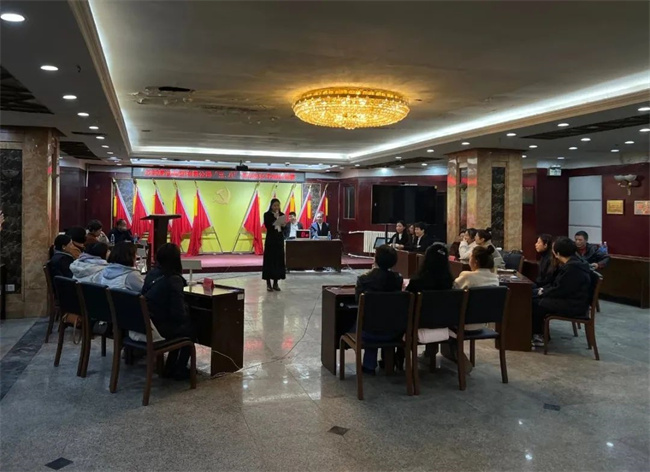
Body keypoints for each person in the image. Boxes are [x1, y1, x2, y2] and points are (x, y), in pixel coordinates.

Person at [142, 243, 196, 380]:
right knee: (192, 330)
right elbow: (179, 314)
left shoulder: (151, 274)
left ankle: (170, 366)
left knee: (181, 328)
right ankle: (180, 368)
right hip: (161, 327)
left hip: (148, 323)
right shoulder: (174, 280)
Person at [531, 237, 593, 347]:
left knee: (536, 303)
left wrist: (542, 292)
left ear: (558, 253)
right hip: (572, 299)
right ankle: (537, 333)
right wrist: (541, 290)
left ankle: (539, 336)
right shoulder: (571, 264)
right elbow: (557, 285)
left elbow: (560, 290)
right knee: (533, 296)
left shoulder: (573, 268)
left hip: (574, 305)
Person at [355, 245, 404, 374]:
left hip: (369, 333)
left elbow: (358, 302)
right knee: (384, 316)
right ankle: (388, 362)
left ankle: (369, 366)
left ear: (375, 259)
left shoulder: (364, 279)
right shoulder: (398, 279)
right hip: (394, 332)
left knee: (370, 319)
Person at [262, 198, 287, 292]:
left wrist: (283, 225)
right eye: (274, 205)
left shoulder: (282, 215)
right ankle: (268, 283)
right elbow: (268, 226)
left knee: (278, 261)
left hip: (279, 240)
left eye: (278, 205)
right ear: (271, 206)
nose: (276, 207)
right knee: (269, 261)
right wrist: (276, 219)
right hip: (270, 241)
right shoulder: (267, 215)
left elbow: (283, 229)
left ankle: (276, 283)